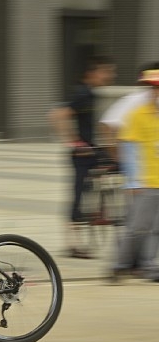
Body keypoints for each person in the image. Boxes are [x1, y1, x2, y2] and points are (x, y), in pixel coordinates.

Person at [50, 56, 116, 259]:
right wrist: (73, 142)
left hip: (91, 151)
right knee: (78, 196)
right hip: (81, 155)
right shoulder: (82, 93)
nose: (109, 76)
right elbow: (58, 115)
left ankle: (101, 214)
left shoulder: (92, 94)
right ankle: (73, 244)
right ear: (91, 73)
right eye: (105, 71)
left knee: (115, 164)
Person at [110, 67, 159, 283]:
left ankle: (149, 266)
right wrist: (133, 181)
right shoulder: (138, 115)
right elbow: (129, 149)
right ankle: (120, 266)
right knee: (137, 227)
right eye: (154, 89)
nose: (156, 93)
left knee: (156, 229)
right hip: (145, 183)